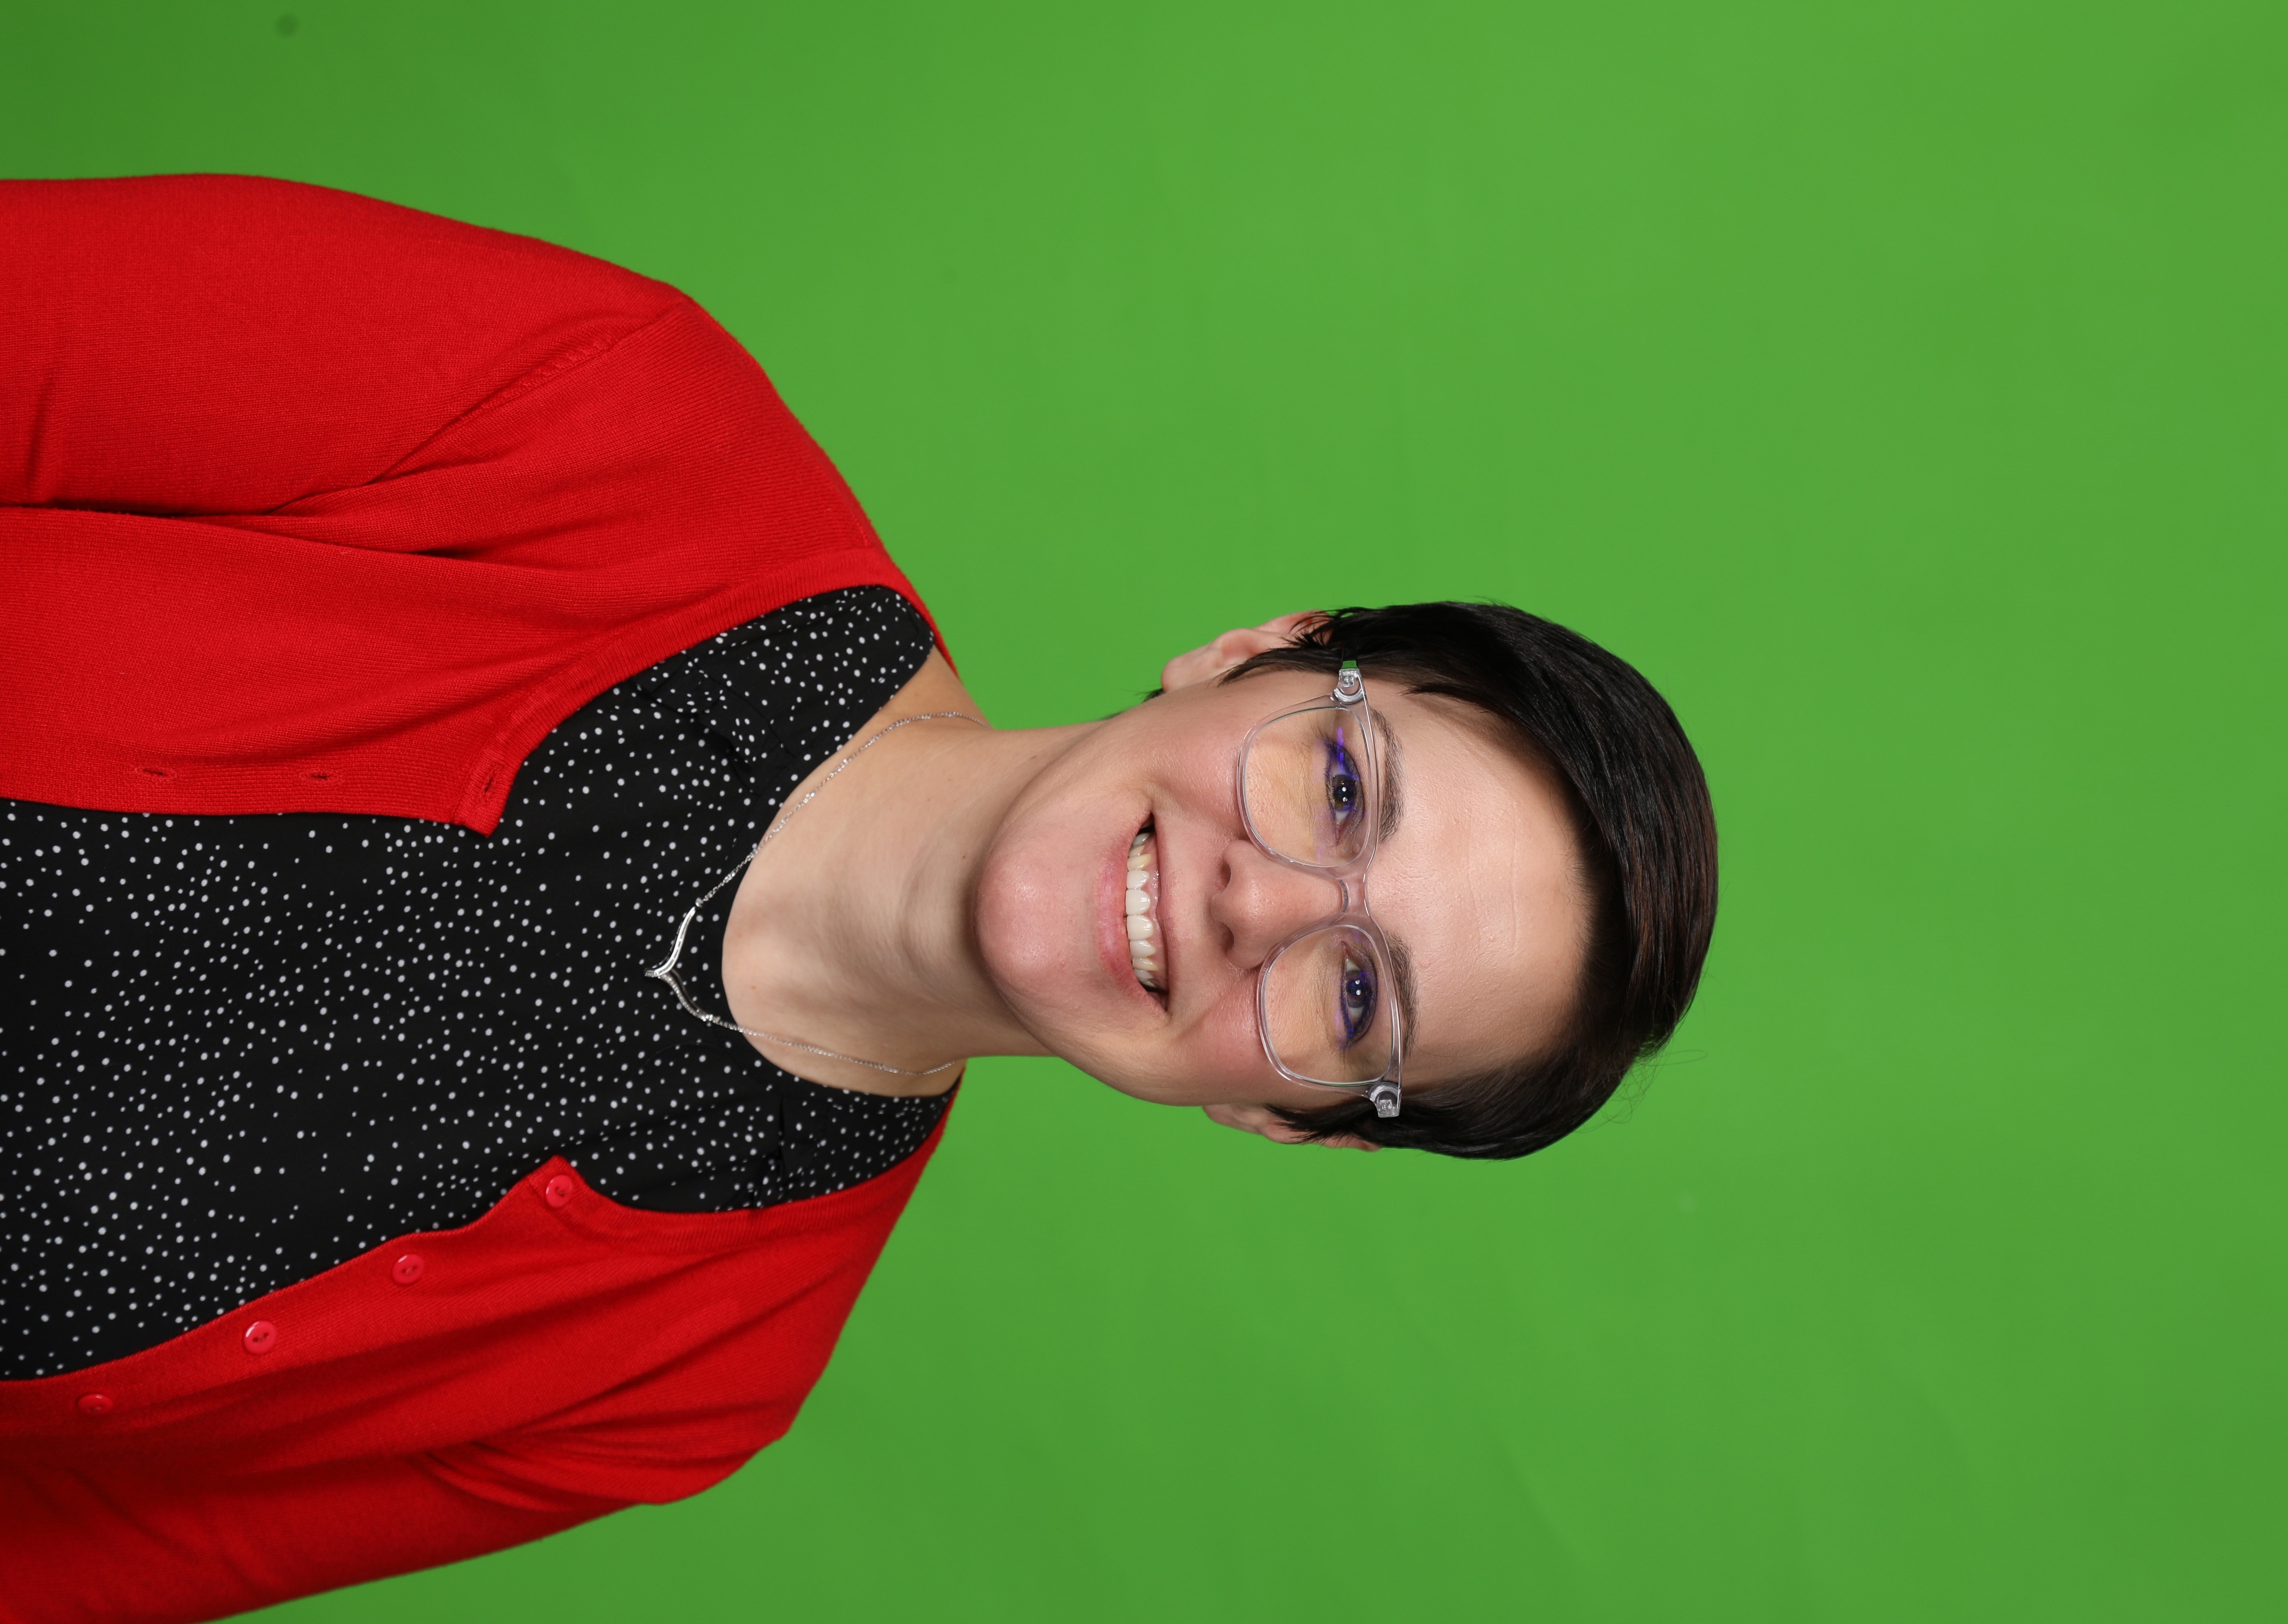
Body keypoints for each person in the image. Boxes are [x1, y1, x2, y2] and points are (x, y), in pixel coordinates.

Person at [0, 175, 1717, 1622]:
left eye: (1355, 998)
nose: (1259, 903)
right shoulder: (604, 402)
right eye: (1337, 789)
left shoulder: (674, 1397)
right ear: (1257, 651)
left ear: (1285, 1118)